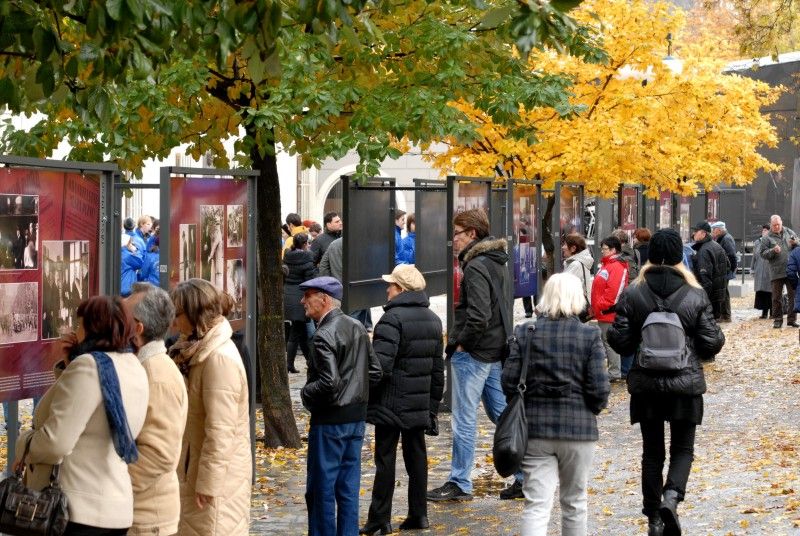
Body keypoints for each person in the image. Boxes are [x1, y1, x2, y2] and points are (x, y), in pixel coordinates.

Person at [608, 229, 725, 536]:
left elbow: (620, 341)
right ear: (679, 257)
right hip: (685, 385)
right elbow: (711, 343)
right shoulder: (694, 293)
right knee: (683, 449)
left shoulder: (634, 293)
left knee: (652, 452)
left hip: (646, 385)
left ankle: (653, 518)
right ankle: (671, 499)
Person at [15, 295, 149, 535]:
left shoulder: (89, 366)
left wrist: (24, 444)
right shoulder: (133, 365)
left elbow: (57, 442)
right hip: (114, 507)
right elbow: (92, 416)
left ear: (94, 327)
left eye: (79, 325)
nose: (76, 332)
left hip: (76, 509)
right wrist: (69, 366)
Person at [427, 208, 524, 502]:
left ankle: (460, 482)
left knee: (464, 420)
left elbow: (479, 315)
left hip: (476, 353)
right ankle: (525, 476)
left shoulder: (477, 266)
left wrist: (461, 343)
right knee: (503, 415)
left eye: (456, 234)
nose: (452, 240)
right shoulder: (498, 262)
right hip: (494, 350)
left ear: (471, 234)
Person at [502, 273, 610, 535]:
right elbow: (599, 388)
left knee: (537, 504)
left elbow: (508, 382)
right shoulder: (589, 335)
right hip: (578, 430)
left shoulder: (525, 332)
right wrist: (589, 409)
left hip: (536, 430)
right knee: (574, 502)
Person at [361, 265, 444, 535]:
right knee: (416, 459)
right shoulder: (433, 319)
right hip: (417, 403)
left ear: (402, 289)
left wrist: (367, 397)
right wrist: (431, 407)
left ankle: (379, 519)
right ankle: (419, 514)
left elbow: (379, 368)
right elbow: (436, 370)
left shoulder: (391, 319)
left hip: (390, 402)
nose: (387, 289)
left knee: (385, 460)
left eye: (391, 285)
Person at [299, 276, 382, 536]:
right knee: (347, 488)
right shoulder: (356, 325)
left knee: (321, 489)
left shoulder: (324, 334)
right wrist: (354, 393)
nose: (302, 301)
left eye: (307, 295)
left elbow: (329, 382)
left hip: (330, 421)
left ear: (323, 299)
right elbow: (375, 372)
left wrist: (305, 393)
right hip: (354, 419)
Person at [169, 279, 251, 535]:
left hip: (214, 482)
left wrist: (208, 483)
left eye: (178, 314)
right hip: (195, 471)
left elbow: (220, 430)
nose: (173, 322)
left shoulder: (217, 358)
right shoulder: (198, 350)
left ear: (195, 315)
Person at [125, 283, 188, 536]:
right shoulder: (144, 366)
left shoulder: (157, 375)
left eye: (123, 317)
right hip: (139, 513)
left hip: (146, 518)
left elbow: (158, 454)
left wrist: (112, 484)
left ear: (137, 329)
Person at [590, 236, 628, 382]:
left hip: (608, 312)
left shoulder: (616, 266)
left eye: (604, 249)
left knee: (609, 342)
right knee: (607, 341)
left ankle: (614, 372)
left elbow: (614, 291)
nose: (602, 251)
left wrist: (600, 306)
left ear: (613, 250)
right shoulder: (607, 265)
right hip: (603, 311)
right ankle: (613, 371)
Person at [283, 232, 317, 373]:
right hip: (301, 297)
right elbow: (311, 281)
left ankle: (310, 361)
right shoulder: (307, 259)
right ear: (304, 244)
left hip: (288, 295)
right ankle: (289, 364)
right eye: (307, 243)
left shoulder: (287, 256)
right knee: (296, 331)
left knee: (301, 330)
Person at [760, 214, 799, 328]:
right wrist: (773, 251)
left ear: (781, 222)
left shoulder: (789, 232)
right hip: (776, 271)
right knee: (776, 297)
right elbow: (762, 254)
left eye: (778, 224)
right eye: (774, 225)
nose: (776, 227)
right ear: (771, 225)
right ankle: (777, 319)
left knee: (793, 296)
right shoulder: (766, 238)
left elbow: (798, 245)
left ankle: (792, 319)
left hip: (791, 270)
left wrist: (795, 244)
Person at [689, 221, 728, 322]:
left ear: (703, 233)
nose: (693, 234)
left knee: (708, 329)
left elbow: (705, 280)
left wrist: (701, 301)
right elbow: (728, 266)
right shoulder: (716, 246)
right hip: (718, 295)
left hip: (709, 298)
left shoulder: (704, 251)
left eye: (696, 231)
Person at [710, 221, 737, 322]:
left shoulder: (726, 239)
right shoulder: (723, 238)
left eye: (714, 230)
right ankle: (724, 314)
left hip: (725, 270)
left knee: (724, 293)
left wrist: (730, 269)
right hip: (724, 269)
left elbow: (732, 255)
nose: (713, 232)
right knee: (724, 292)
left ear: (719, 230)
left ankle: (725, 315)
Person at [561, 233, 593, 306]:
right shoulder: (576, 263)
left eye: (565, 244)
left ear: (573, 248)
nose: (563, 247)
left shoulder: (576, 265)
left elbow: (562, 287)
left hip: (575, 308)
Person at [752, 224, 773, 318]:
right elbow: (754, 257)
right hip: (760, 270)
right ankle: (764, 313)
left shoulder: (773, 241)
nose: (764, 231)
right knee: (762, 292)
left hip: (770, 271)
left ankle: (773, 313)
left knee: (771, 292)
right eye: (763, 230)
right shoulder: (757, 242)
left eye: (766, 230)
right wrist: (752, 269)